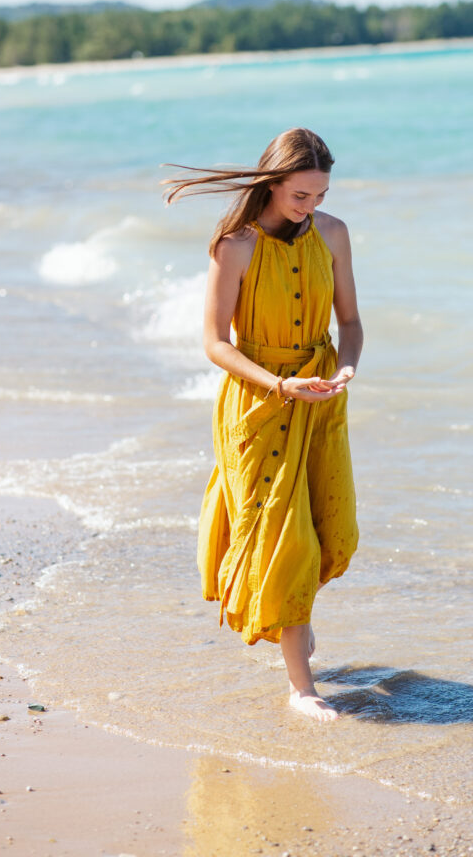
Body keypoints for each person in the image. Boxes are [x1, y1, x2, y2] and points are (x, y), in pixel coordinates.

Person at [163, 127, 362, 722]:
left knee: (332, 531)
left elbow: (350, 321)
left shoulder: (334, 235)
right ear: (272, 183)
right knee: (288, 542)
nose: (312, 207)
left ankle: (291, 619)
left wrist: (346, 368)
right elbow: (214, 344)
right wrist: (279, 384)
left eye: (321, 194)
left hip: (321, 399)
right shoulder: (236, 245)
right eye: (301, 195)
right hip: (258, 402)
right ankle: (303, 688)